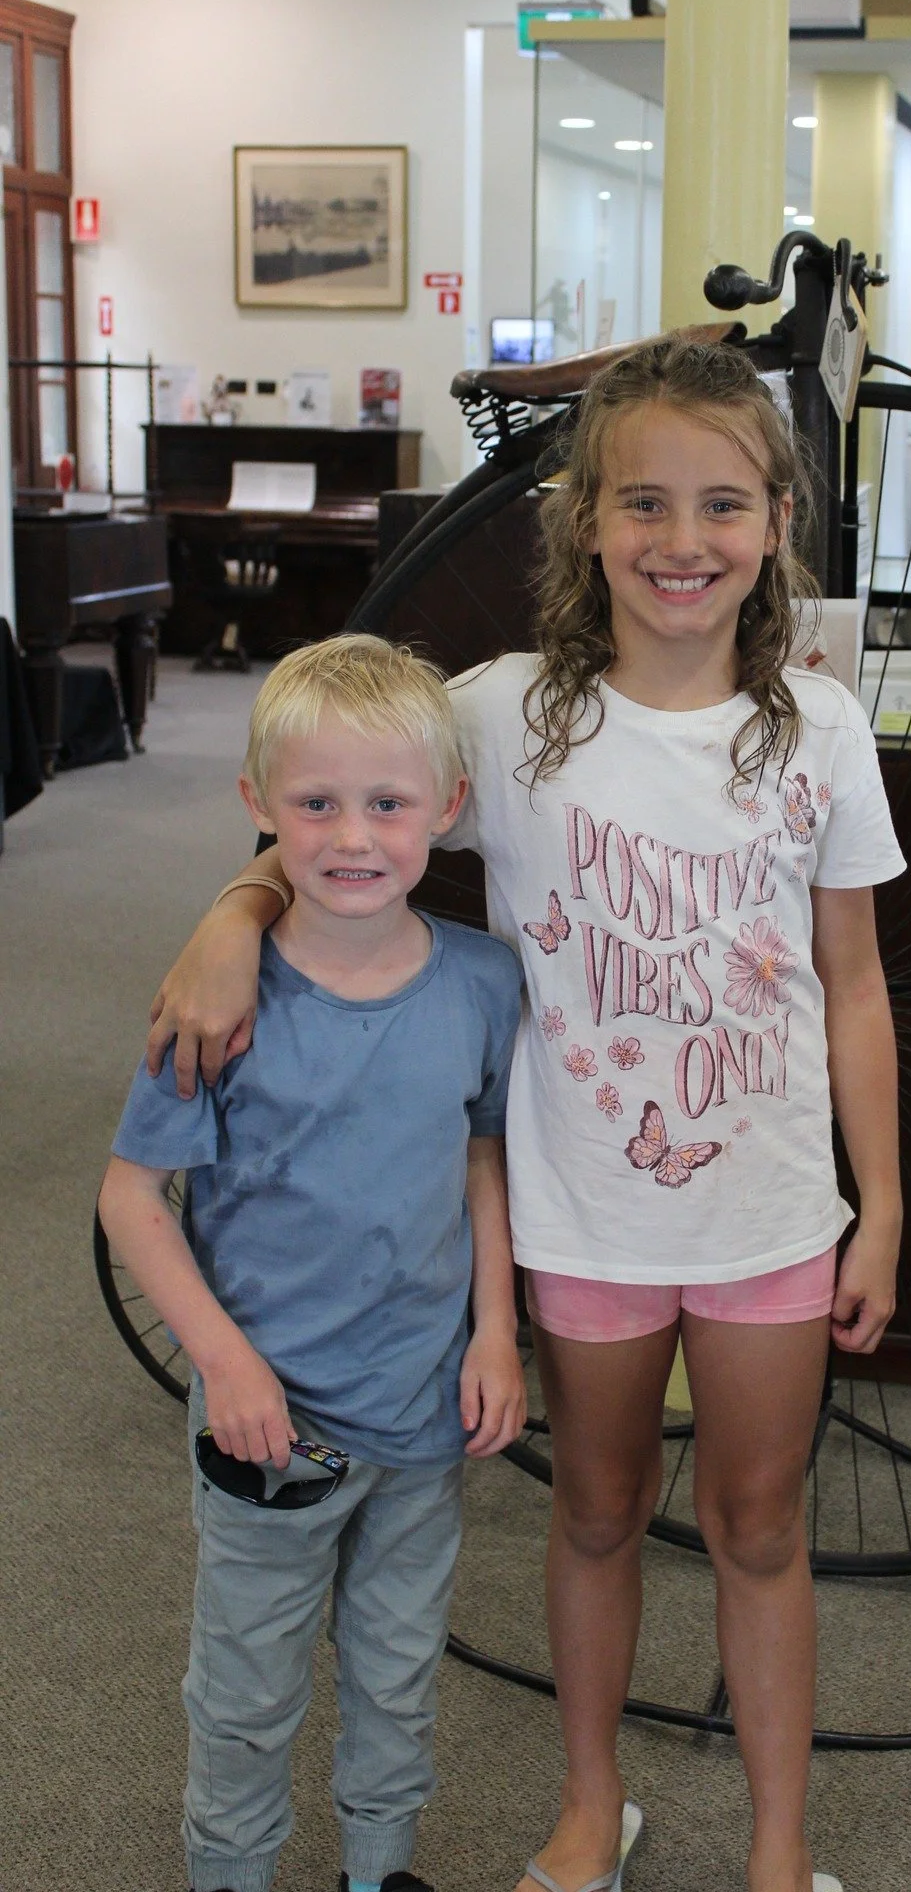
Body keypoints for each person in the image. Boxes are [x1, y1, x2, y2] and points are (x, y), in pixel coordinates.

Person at [149, 335, 907, 1892]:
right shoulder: (509, 718)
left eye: (719, 505)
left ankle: (778, 1845)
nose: (679, 542)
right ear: (584, 524)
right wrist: (234, 911)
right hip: (585, 1212)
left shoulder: (817, 732)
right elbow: (350, 804)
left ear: (776, 522)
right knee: (597, 1511)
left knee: (761, 1526)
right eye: (641, 503)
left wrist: (881, 1201)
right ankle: (586, 1802)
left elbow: (854, 985)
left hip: (768, 1209)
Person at [102, 633, 526, 1892]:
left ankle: (377, 1869)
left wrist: (497, 1328)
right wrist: (222, 1362)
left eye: (390, 802)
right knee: (244, 1693)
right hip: (265, 1429)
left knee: (397, 1674)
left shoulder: (481, 983)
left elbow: (482, 1158)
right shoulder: (217, 1005)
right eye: (317, 803)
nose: (355, 835)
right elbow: (133, 1200)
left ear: (446, 810)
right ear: (257, 808)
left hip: (421, 1416)